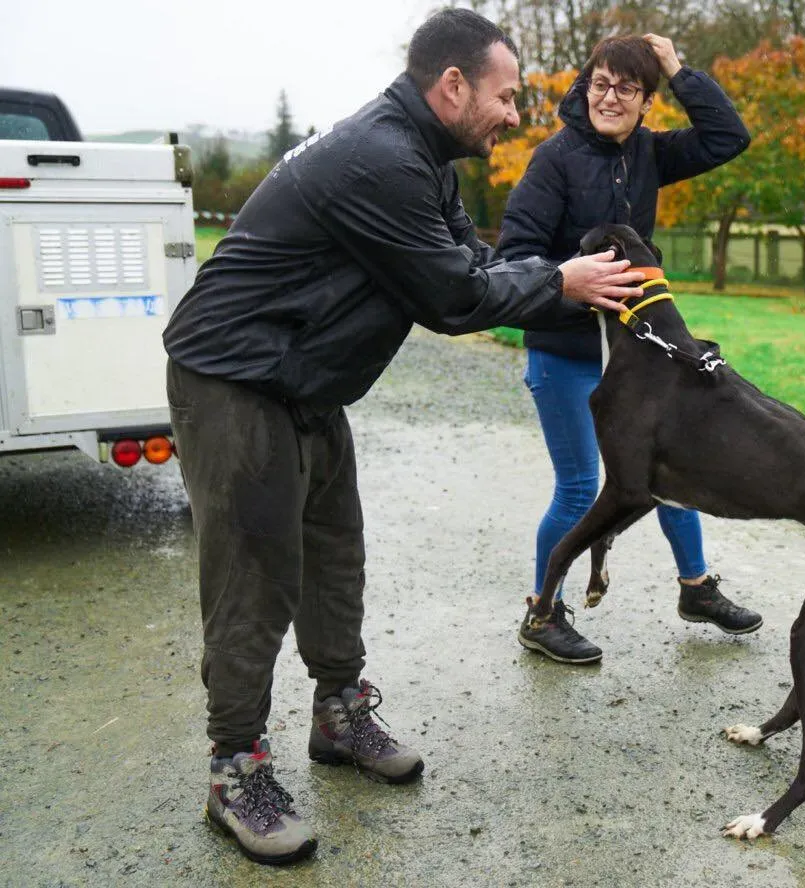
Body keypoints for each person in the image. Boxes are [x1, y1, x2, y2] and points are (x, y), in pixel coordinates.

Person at [162, 8, 644, 866]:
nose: (512, 114)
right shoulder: (379, 158)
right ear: (451, 85)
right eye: (503, 96)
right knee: (254, 580)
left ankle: (338, 716)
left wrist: (556, 273)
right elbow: (454, 297)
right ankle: (235, 768)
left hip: (304, 384)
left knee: (335, 554)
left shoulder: (423, 162)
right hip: (235, 384)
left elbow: (475, 260)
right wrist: (561, 284)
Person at [500, 34, 761, 666]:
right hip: (564, 352)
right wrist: (573, 280)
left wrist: (676, 68)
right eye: (600, 83)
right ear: (584, 86)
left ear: (647, 101)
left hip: (638, 355)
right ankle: (543, 612)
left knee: (673, 465)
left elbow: (729, 136)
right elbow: (514, 259)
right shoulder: (554, 159)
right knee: (582, 486)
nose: (609, 98)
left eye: (627, 88)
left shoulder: (649, 152)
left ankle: (696, 588)